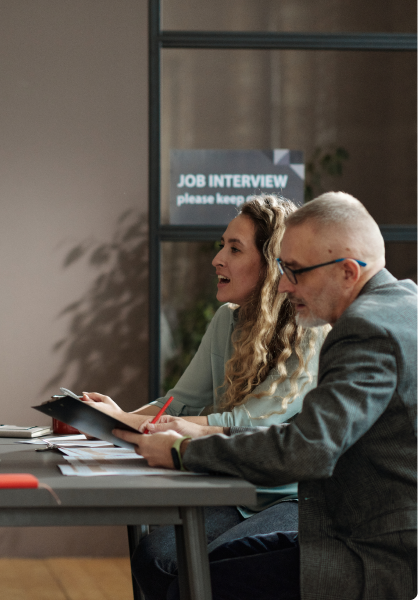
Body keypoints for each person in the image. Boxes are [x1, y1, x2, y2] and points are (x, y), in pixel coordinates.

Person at [116, 191, 418, 600]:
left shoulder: (364, 330)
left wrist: (183, 450)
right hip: (358, 529)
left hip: (380, 554)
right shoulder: (405, 305)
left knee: (194, 584)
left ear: (348, 271)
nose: (283, 284)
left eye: (296, 271)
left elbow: (307, 449)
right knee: (177, 568)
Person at [82, 194, 326, 599]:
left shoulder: (310, 329)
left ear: (271, 264)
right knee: (154, 558)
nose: (217, 259)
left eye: (234, 248)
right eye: (221, 245)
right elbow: (179, 404)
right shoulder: (226, 320)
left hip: (291, 497)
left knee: (205, 571)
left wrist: (126, 423)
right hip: (233, 487)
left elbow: (251, 423)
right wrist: (117, 415)